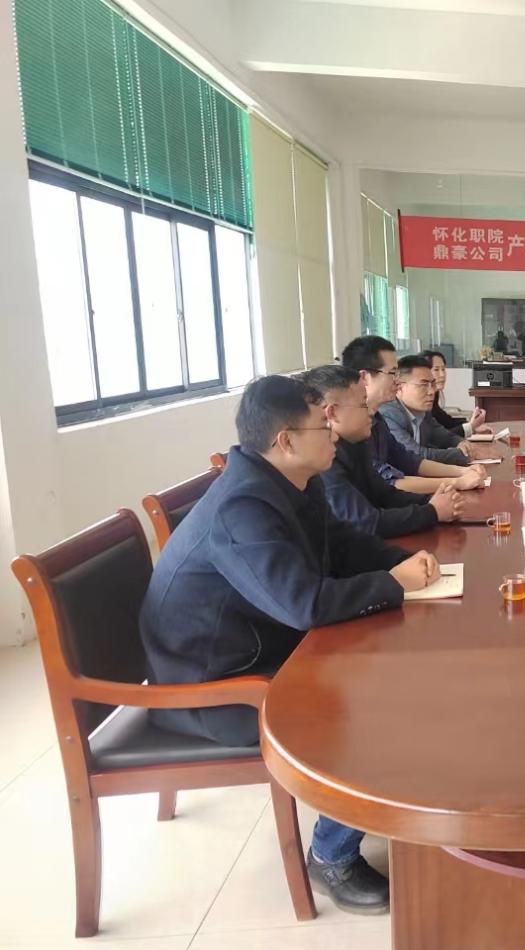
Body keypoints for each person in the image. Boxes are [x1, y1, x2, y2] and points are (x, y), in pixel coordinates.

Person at [140, 375, 441, 915]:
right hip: (214, 686)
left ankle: (382, 799)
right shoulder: (242, 506)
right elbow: (303, 604)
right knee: (369, 702)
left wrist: (400, 564)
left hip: (261, 645)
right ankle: (331, 856)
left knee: (390, 666)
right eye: (322, 425)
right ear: (285, 440)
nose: (334, 431)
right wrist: (393, 585)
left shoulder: (294, 480)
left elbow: (341, 546)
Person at [302, 365, 463, 537]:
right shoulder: (323, 458)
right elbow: (365, 522)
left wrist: (431, 501)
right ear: (332, 413)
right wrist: (432, 511)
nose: (371, 411)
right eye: (363, 404)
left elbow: (385, 495)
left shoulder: (357, 442)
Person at [340, 336, 485, 496]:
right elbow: (387, 481)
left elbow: (408, 460)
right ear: (364, 378)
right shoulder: (353, 426)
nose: (398, 381)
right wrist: (458, 482)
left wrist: (463, 472)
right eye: (392, 373)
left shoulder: (377, 419)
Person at [378, 354, 471, 466]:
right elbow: (415, 455)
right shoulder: (388, 414)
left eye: (432, 384)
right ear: (399, 387)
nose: (431, 392)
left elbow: (445, 437)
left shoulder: (423, 412)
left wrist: (462, 443)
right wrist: (461, 455)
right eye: (423, 385)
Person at [421, 349, 493, 437]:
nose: (442, 374)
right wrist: (471, 426)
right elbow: (438, 437)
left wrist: (472, 425)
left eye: (443, 369)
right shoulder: (421, 402)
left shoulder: (435, 395)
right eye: (436, 370)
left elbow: (447, 421)